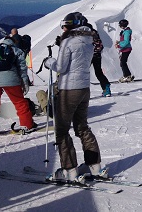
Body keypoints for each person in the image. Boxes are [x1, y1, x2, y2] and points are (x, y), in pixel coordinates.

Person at [43, 12, 108, 183]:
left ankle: (69, 170)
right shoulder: (89, 40)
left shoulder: (68, 41)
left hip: (68, 90)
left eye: (64, 25)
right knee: (82, 127)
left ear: (71, 25)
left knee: (62, 130)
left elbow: (61, 67)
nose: (63, 28)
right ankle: (95, 167)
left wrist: (48, 62)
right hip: (84, 88)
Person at [0, 37, 36, 136]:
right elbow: (22, 67)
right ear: (15, 42)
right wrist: (24, 81)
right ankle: (27, 125)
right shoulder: (16, 50)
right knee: (19, 102)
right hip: (10, 78)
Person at [87, 23, 111, 97]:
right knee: (98, 72)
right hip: (97, 54)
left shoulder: (86, 34)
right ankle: (106, 88)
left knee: (82, 73)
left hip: (89, 55)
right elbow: (100, 45)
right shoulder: (95, 33)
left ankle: (82, 94)